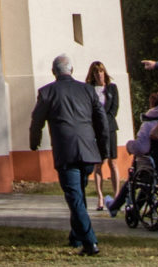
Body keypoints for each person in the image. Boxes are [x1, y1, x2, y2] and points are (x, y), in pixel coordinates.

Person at [30, 54, 116, 256]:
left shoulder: (47, 92)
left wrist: (34, 143)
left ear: (54, 72)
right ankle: (76, 236)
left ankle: (90, 242)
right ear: (72, 70)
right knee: (79, 194)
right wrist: (103, 151)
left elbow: (37, 121)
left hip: (66, 151)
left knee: (75, 197)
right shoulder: (87, 90)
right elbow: (101, 122)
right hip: (88, 150)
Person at [83, 61, 121, 203]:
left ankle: (117, 195)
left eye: (101, 71)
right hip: (95, 130)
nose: (99, 74)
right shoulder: (89, 89)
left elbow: (114, 109)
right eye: (96, 72)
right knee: (98, 163)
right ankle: (100, 196)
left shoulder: (112, 88)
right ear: (92, 75)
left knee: (113, 162)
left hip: (110, 128)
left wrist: (105, 122)